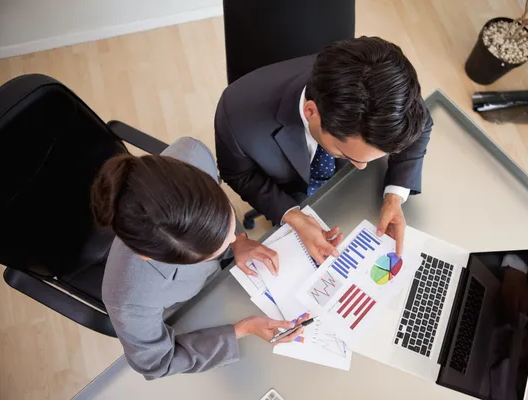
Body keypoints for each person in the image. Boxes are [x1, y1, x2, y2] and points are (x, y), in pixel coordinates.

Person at [94, 137, 304, 380]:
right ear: (149, 257)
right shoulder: (129, 299)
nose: (229, 239)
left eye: (226, 223)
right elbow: (158, 362)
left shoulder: (194, 153)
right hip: (195, 311)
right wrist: (241, 329)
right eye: (214, 248)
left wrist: (240, 240)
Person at [215, 36, 433, 266]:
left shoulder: (390, 87)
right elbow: (238, 174)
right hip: (289, 191)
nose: (360, 166)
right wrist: (291, 214)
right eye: (348, 155)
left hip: (353, 197)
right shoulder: (237, 116)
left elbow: (423, 124)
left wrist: (394, 196)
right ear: (311, 112)